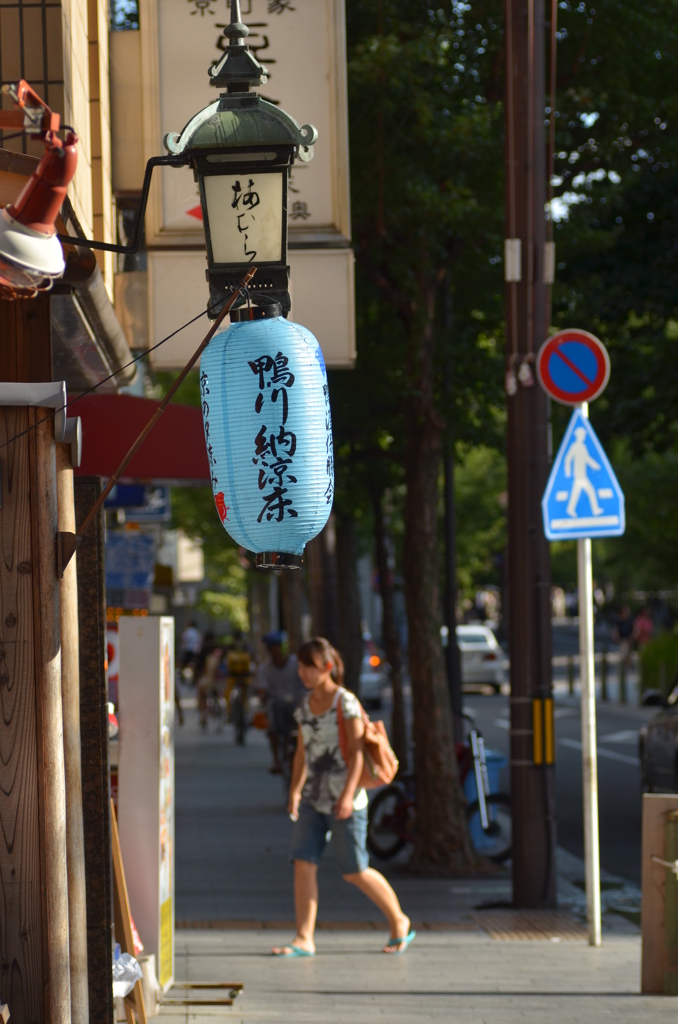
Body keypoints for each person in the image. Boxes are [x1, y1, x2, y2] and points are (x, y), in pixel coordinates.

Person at [271, 636, 414, 958]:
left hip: (345, 799)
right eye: (302, 666)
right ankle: (304, 937)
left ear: (328, 667)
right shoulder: (305, 705)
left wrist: (349, 796)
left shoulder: (344, 702)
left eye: (310, 666)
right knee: (303, 864)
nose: (304, 673)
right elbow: (302, 753)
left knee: (354, 870)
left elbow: (358, 753)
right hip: (313, 799)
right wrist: (294, 790)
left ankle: (399, 920)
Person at [255, 631, 305, 774]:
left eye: (277, 646)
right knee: (273, 728)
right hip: (276, 705)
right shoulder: (265, 669)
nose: (275, 650)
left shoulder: (296, 664)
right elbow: (261, 690)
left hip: (297, 703)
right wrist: (263, 696)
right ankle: (276, 759)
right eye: (271, 647)